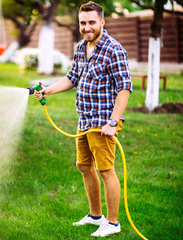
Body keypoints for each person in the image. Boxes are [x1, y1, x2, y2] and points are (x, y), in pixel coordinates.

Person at [35, 1, 133, 238]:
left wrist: (112, 122)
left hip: (103, 122)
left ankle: (113, 223)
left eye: (91, 22)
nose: (87, 27)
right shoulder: (81, 47)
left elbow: (124, 88)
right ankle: (95, 216)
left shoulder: (113, 49)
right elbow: (72, 78)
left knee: (106, 169)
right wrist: (48, 89)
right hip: (84, 119)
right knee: (83, 166)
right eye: (83, 23)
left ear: (102, 22)